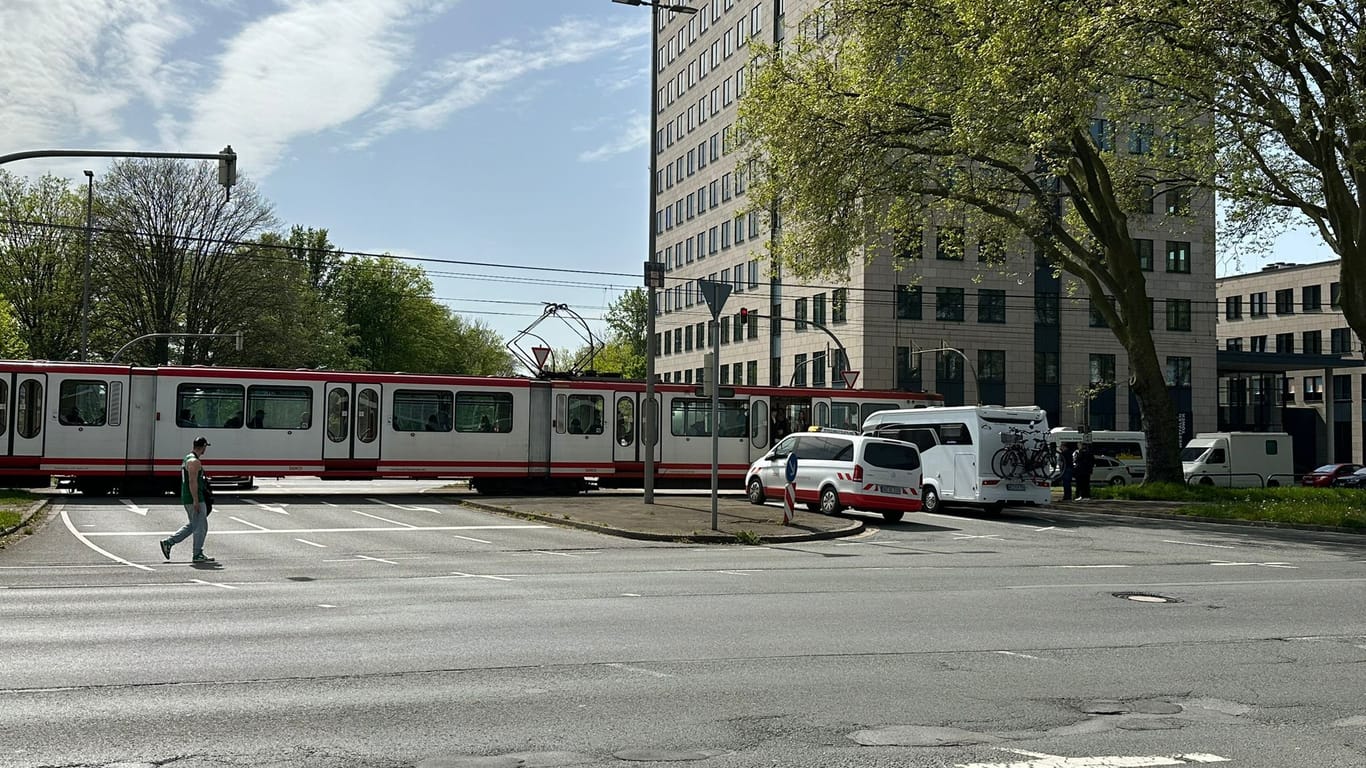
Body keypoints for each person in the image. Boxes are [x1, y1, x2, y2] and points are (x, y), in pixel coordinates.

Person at [160, 436, 215, 564]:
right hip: (194, 497)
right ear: (203, 447)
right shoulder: (194, 462)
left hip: (189, 497)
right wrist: (196, 500)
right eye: (205, 447)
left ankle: (169, 543)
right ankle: (197, 553)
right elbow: (192, 481)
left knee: (195, 525)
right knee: (200, 527)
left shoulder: (188, 458)